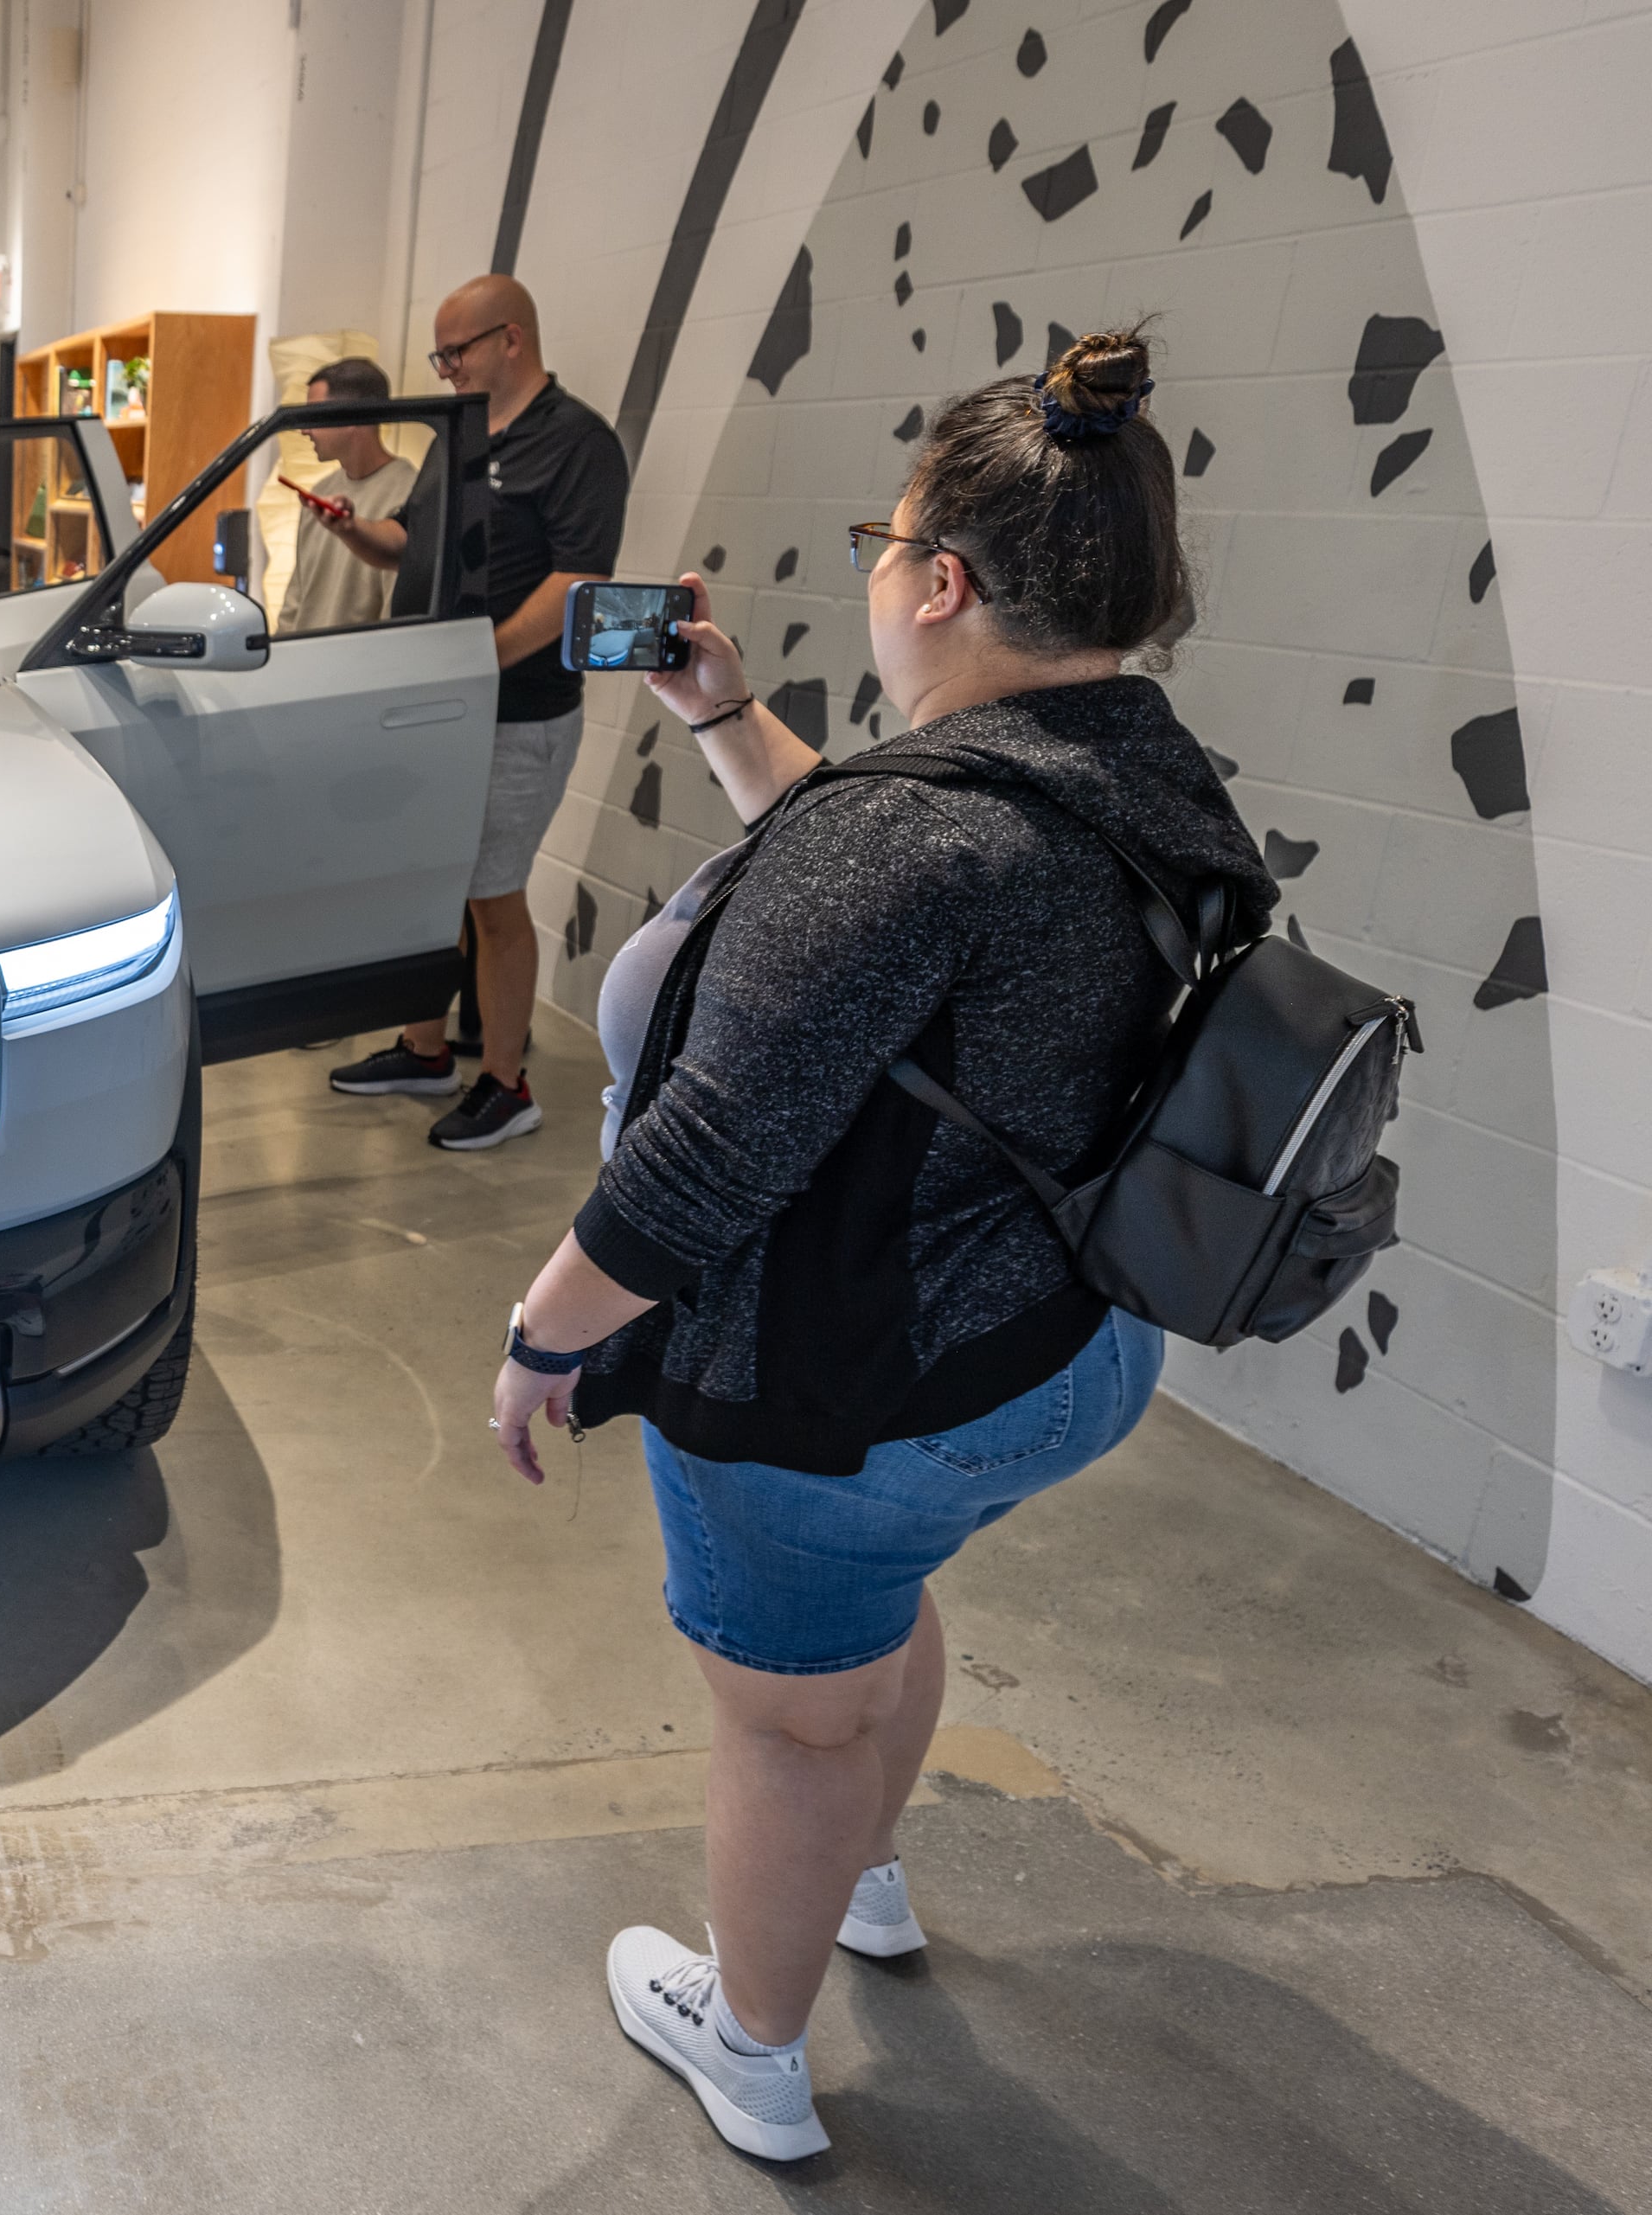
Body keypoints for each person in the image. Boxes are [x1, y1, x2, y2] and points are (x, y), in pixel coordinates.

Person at [485, 329, 1272, 2162]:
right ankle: (861, 1877)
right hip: (1067, 1348)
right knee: (873, 1614)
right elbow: (901, 926)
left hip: (863, 1389)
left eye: (885, 537)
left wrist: (544, 1335)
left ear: (940, 582)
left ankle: (753, 2043)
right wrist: (722, 714)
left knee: (792, 1721)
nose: (878, 568)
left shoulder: (914, 839)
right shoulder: (1135, 777)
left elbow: (705, 1162)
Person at [320, 275, 627, 1149]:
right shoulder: (460, 435)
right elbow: (414, 542)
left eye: (455, 351)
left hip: (518, 713)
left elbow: (579, 580)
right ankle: (425, 1051)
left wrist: (480, 657)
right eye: (440, 354)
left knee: (493, 896)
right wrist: (354, 531)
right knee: (435, 884)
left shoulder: (578, 443)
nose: (445, 367)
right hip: (442, 707)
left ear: (512, 339)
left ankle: (505, 1082)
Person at [276, 356, 416, 636]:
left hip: (361, 663)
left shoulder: (410, 494)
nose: (305, 430)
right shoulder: (320, 492)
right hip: (303, 659)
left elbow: (395, 615)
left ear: (353, 416)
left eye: (315, 416)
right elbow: (296, 600)